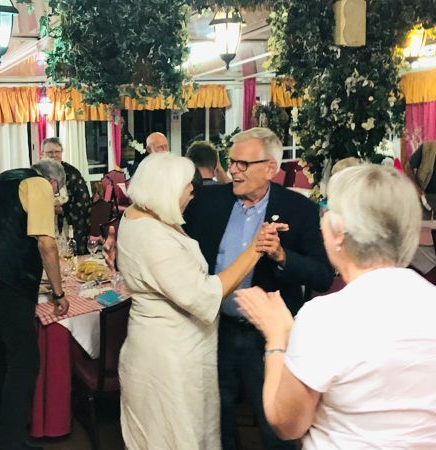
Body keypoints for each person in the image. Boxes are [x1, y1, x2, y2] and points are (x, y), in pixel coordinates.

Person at [104, 127, 333, 450]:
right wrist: (117, 236)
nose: (234, 170)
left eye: (243, 164)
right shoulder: (209, 200)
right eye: (231, 161)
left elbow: (322, 276)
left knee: (275, 428)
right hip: (213, 330)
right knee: (214, 422)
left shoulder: (299, 209)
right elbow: (153, 214)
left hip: (266, 339)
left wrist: (282, 256)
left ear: (270, 167)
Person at [235, 164, 436, 448]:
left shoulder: (325, 317)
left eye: (327, 211)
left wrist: (277, 338)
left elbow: (287, 423)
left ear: (339, 231)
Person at [117, 153, 275, 449]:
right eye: (186, 184)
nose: (193, 189)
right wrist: (255, 248)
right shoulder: (154, 237)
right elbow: (204, 294)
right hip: (169, 354)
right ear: (165, 188)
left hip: (163, 344)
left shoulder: (138, 214)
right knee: (174, 434)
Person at [0, 159, 70, 450]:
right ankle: (12, 441)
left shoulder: (1, 179)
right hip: (5, 277)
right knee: (25, 357)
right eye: (57, 193)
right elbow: (46, 244)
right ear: (53, 183)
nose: (55, 199)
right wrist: (59, 293)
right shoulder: (40, 185)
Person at [42, 137, 92, 253]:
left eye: (57, 152)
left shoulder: (72, 173)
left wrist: (63, 209)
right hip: (44, 224)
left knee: (68, 256)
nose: (54, 155)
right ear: (42, 153)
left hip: (68, 225)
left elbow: (84, 202)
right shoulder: (36, 173)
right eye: (50, 152)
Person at [404, 141, 436, 217]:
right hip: (425, 198)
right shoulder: (427, 147)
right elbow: (408, 168)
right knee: (424, 223)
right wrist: (417, 189)